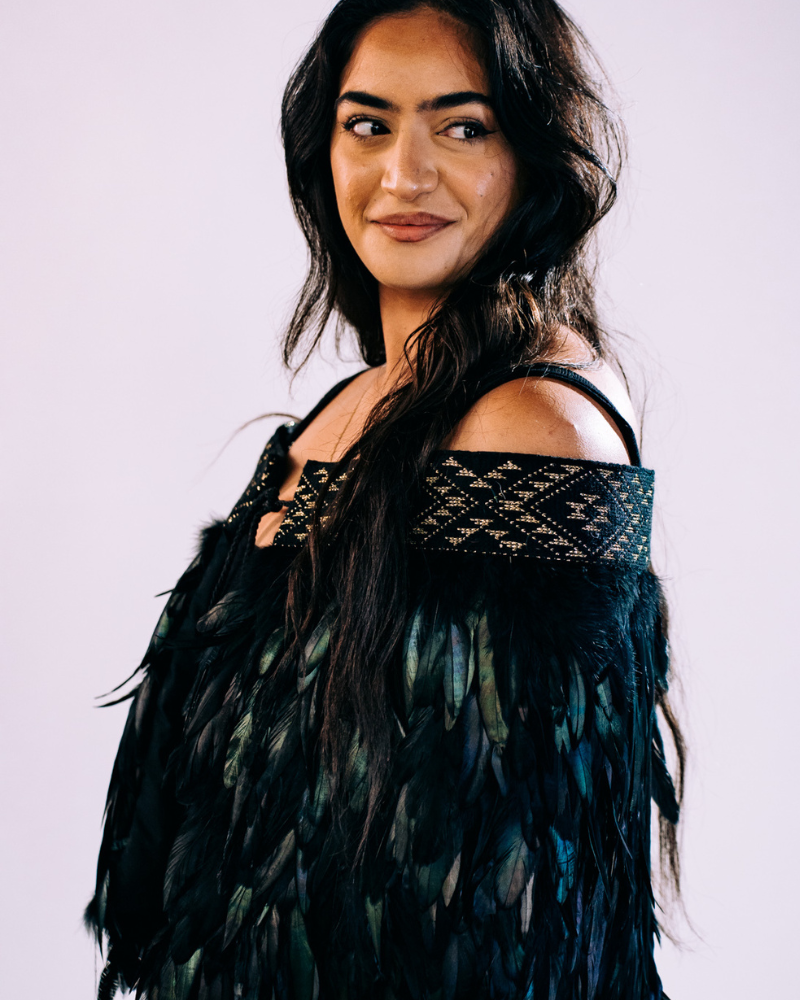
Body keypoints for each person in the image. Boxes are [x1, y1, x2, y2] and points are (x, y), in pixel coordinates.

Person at [85, 2, 683, 998]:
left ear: (532, 155)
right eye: (368, 124)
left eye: (462, 127)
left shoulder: (529, 423)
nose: (403, 174)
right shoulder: (346, 409)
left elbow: (505, 915)